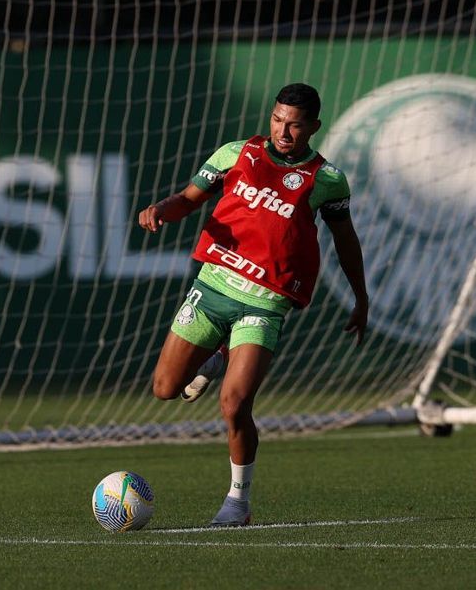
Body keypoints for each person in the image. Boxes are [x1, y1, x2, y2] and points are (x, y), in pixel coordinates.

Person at [138, 82, 369, 527]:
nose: (284, 131)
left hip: (264, 303)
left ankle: (237, 502)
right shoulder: (234, 154)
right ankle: (218, 355)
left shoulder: (326, 179)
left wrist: (361, 297)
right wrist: (160, 210)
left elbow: (345, 239)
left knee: (234, 404)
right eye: (278, 120)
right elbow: (187, 201)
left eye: (296, 125)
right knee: (165, 388)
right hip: (212, 288)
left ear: (313, 127)